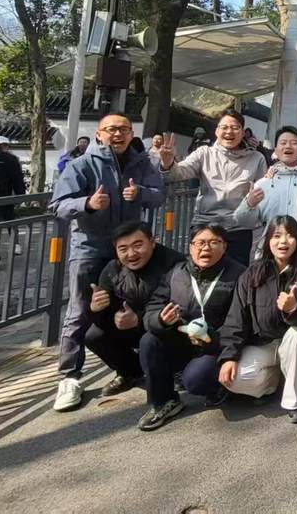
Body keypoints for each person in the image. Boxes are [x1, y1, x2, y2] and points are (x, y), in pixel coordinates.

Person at [49, 112, 165, 413]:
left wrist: (141, 193)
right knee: (81, 311)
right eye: (111, 129)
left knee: (131, 306)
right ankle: (69, 376)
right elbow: (58, 206)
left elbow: (160, 196)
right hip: (90, 248)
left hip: (128, 251)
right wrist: (87, 203)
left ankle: (129, 367)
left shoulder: (143, 164)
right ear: (99, 134)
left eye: (124, 129)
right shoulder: (81, 165)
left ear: (131, 134)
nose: (118, 134)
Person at [137, 224, 244, 431]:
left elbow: (240, 322)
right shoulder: (177, 273)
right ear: (190, 247)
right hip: (183, 339)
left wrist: (210, 337)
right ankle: (163, 402)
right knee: (149, 341)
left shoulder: (239, 275)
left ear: (224, 246)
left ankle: (221, 388)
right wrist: (161, 319)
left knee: (195, 381)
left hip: (215, 346)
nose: (206, 248)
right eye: (200, 243)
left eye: (214, 243)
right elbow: (153, 308)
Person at [216, 215, 297, 422]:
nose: (283, 241)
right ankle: (272, 381)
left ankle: (294, 401)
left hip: (295, 340)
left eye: (290, 236)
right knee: (234, 380)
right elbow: (236, 317)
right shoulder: (253, 273)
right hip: (263, 343)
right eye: (277, 236)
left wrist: (294, 309)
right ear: (268, 241)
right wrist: (229, 356)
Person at [87, 221, 183, 398]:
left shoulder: (174, 264)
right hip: (132, 330)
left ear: (153, 242)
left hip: (167, 329)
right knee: (93, 335)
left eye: (138, 245)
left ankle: (175, 370)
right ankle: (130, 372)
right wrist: (96, 309)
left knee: (153, 337)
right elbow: (102, 319)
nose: (131, 254)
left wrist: (138, 319)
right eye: (123, 249)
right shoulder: (112, 270)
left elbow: (182, 309)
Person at [158, 111, 268, 264]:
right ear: (217, 131)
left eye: (235, 128)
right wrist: (168, 162)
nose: (229, 131)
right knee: (202, 271)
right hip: (205, 224)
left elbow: (263, 193)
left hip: (238, 228)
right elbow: (178, 173)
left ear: (243, 133)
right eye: (224, 127)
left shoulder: (256, 158)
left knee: (236, 273)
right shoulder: (204, 153)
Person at [232, 127, 297, 258]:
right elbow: (243, 221)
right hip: (270, 255)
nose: (288, 146)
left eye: (294, 143)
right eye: (283, 143)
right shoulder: (264, 183)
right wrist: (249, 204)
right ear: (275, 150)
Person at [0, 132, 27, 257]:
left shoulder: (8, 159)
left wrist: (20, 196)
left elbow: (17, 178)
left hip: (2, 198)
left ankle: (14, 243)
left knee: (9, 222)